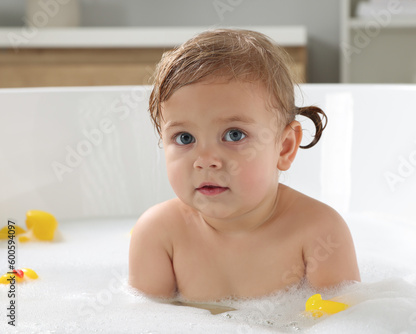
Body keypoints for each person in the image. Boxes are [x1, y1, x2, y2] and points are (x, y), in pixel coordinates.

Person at [129, 29, 360, 301]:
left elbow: (342, 323)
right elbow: (146, 322)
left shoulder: (319, 233)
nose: (205, 161)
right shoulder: (159, 234)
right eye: (185, 138)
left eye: (234, 135)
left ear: (284, 147)